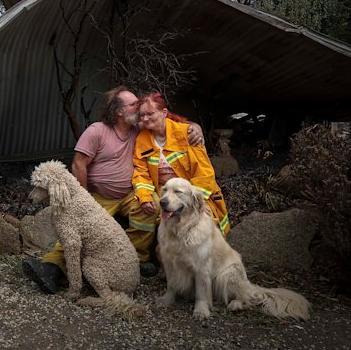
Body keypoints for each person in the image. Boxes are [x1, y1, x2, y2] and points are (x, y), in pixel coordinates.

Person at [23, 86, 204, 294]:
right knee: (76, 230)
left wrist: (194, 126)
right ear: (119, 111)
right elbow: (78, 165)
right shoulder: (97, 131)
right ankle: (51, 268)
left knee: (150, 206)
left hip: (129, 194)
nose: (139, 108)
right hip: (98, 197)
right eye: (133, 104)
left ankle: (137, 259)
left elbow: (167, 121)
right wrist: (83, 197)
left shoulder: (140, 129)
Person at [132, 92, 230, 236]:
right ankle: (142, 255)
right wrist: (145, 196)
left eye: (150, 114)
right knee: (144, 211)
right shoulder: (142, 139)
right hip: (162, 190)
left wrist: (196, 201)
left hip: (191, 190)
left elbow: (204, 173)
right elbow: (141, 172)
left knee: (203, 219)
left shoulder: (186, 133)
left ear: (164, 112)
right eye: (141, 115)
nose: (145, 119)